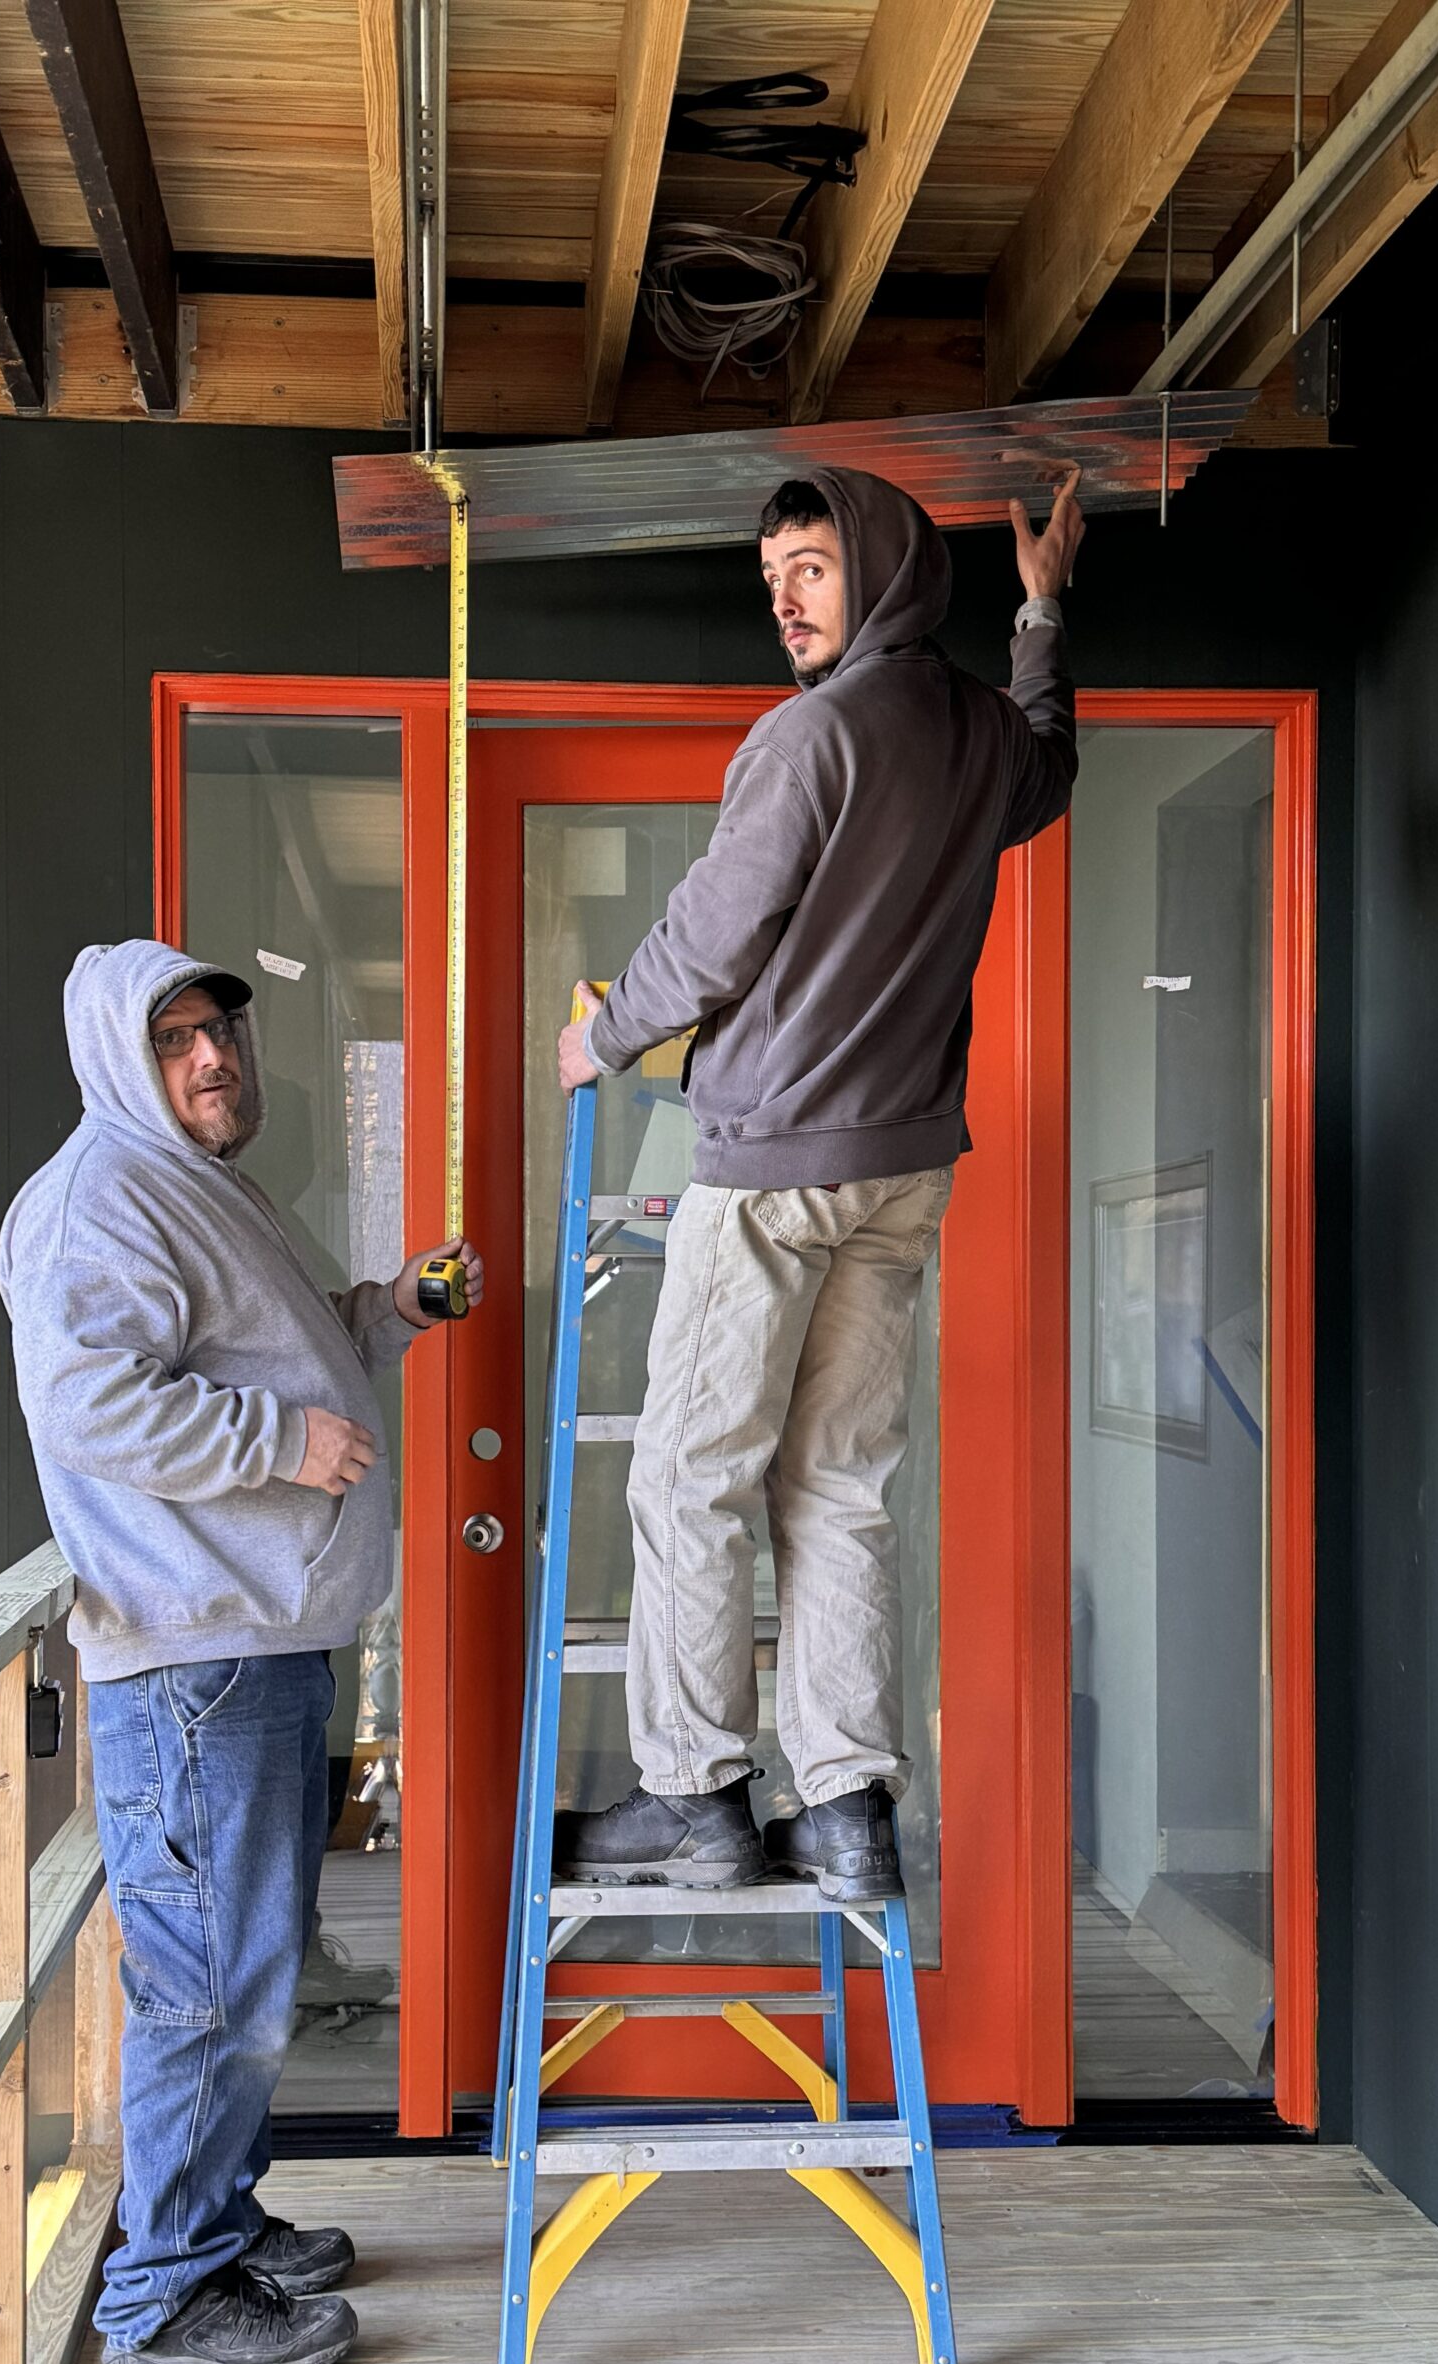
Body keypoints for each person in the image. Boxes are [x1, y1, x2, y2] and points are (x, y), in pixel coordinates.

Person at [554, 464, 1083, 1904]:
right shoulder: (978, 737)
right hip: (903, 1172)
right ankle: (847, 1809)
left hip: (776, 1168)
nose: (784, 599)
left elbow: (711, 937)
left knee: (692, 1476)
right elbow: (1052, 762)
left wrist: (595, 1039)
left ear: (881, 569)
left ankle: (693, 1798)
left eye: (811, 567)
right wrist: (1043, 614)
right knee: (841, 1487)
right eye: (773, 574)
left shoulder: (808, 738)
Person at [0, 940, 483, 2364]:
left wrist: (390, 1313)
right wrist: (280, 1447)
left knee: (245, 1970)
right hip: (196, 1659)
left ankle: (212, 2217)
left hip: (253, 1641)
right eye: (174, 1041)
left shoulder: (194, 1188)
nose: (213, 1057)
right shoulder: (101, 1201)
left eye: (222, 1030)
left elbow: (278, 1357)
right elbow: (92, 1408)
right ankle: (161, 2295)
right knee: (212, 1987)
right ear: (116, 1061)